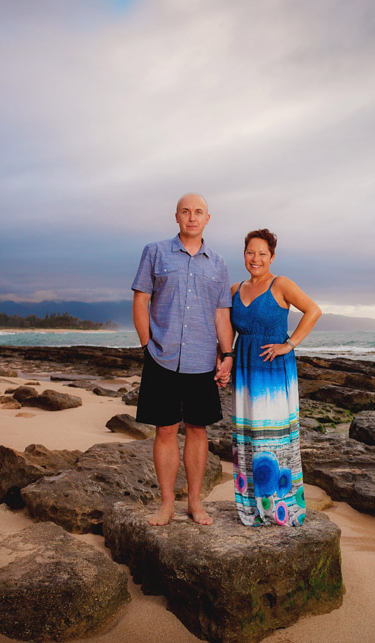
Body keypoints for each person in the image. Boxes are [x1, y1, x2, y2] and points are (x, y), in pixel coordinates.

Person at [131, 193, 234, 526]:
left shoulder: (218, 263)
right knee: (164, 430)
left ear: (207, 218)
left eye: (198, 212)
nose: (192, 217)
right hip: (162, 356)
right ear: (176, 216)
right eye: (186, 211)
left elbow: (221, 314)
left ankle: (194, 503)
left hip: (202, 359)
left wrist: (227, 354)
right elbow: (141, 300)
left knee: (197, 430)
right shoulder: (155, 252)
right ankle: (166, 505)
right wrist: (147, 345)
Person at [229, 229, 321, 526]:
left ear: (272, 257)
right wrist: (224, 359)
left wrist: (289, 344)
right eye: (250, 252)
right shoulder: (235, 289)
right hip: (245, 370)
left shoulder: (280, 284)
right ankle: (253, 505)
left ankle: (279, 506)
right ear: (244, 254)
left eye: (262, 253)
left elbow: (313, 310)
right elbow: (227, 329)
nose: (255, 258)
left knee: (274, 437)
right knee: (249, 435)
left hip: (273, 372)